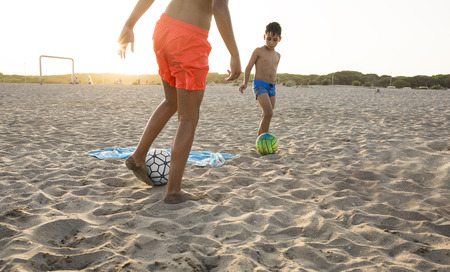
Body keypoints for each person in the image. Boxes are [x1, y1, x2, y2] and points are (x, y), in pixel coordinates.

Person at [118, 0, 241, 204]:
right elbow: (218, 6)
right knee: (188, 119)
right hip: (189, 38)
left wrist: (130, 24)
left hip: (164, 29)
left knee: (171, 101)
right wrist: (235, 54)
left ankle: (139, 156)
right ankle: (173, 191)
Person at [239, 22, 281, 136]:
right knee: (268, 113)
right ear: (264, 37)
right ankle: (264, 139)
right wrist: (245, 83)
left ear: (279, 39)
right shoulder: (258, 51)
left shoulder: (278, 55)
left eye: (275, 39)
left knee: (266, 115)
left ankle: (259, 140)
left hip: (272, 87)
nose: (271, 42)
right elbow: (248, 68)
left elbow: (273, 71)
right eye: (268, 39)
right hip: (259, 85)